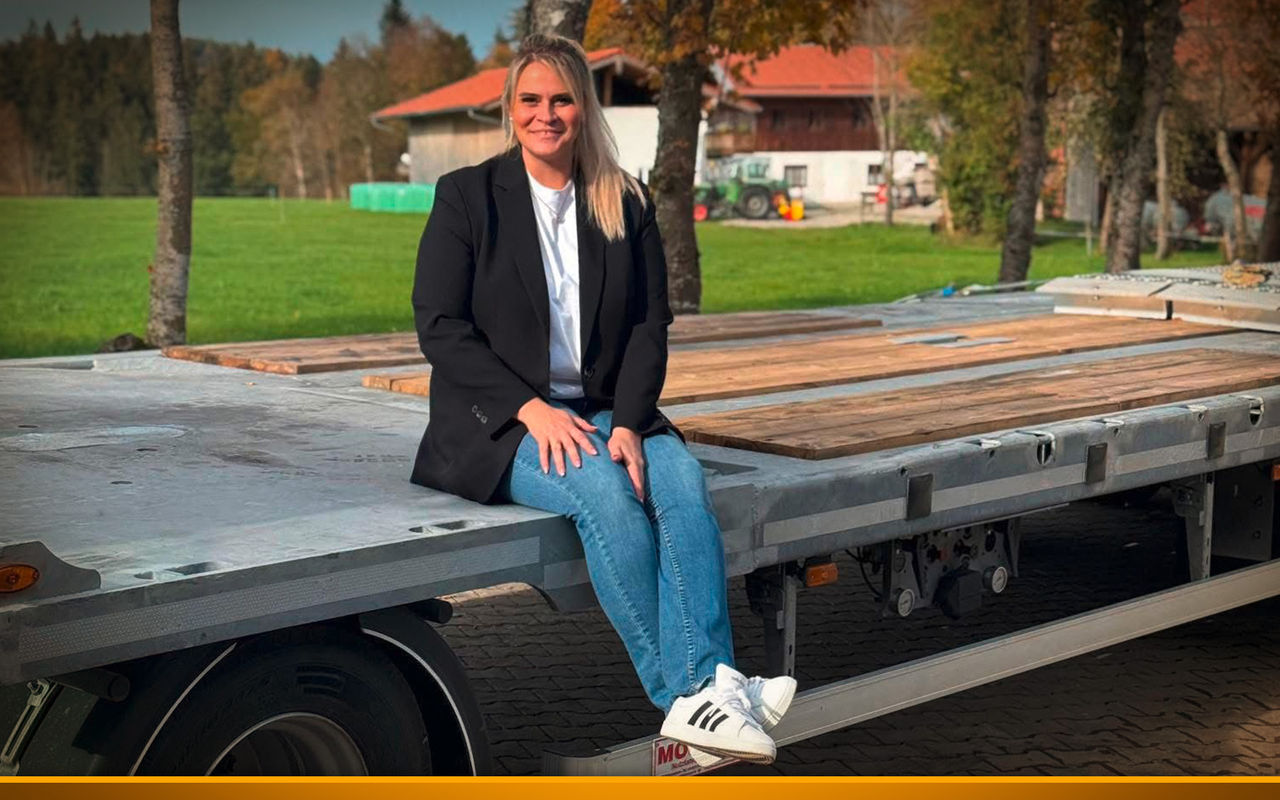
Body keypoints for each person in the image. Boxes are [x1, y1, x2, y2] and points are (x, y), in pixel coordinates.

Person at [409, 34, 795, 764]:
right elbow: (440, 326)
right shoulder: (466, 196)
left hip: (608, 405)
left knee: (679, 481)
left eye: (561, 99)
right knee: (606, 497)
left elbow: (652, 324)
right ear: (510, 108)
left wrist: (633, 421)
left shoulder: (626, 197)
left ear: (583, 108)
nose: (545, 114)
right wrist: (530, 409)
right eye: (530, 100)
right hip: (502, 422)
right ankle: (693, 692)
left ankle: (709, 687)